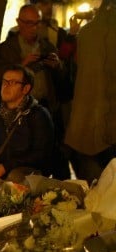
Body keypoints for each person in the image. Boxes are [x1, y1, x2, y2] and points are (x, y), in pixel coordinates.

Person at [0, 3, 68, 179]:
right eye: (29, 23)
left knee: (53, 152)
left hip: (46, 105)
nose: (34, 28)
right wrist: (22, 64)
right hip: (20, 108)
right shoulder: (8, 47)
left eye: (37, 23)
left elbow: (63, 79)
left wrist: (57, 66)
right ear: (19, 22)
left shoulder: (46, 46)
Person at [64, 0, 116, 183]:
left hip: (84, 126)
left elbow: (71, 65)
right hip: (108, 125)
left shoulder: (85, 33)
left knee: (93, 189)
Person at [0, 64, 54, 183]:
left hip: (25, 174)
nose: (5, 86)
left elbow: (41, 154)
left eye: (13, 82)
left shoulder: (38, 115)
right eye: (4, 81)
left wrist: (6, 167)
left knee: (14, 179)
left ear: (26, 88)